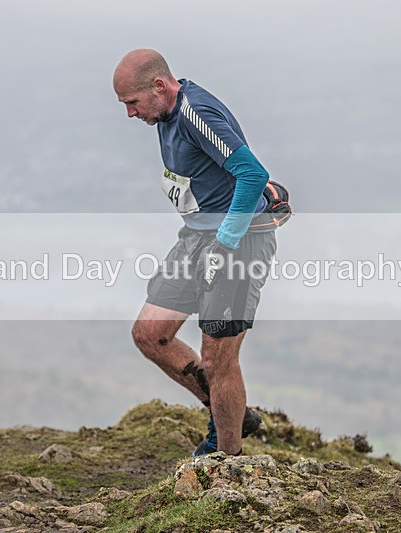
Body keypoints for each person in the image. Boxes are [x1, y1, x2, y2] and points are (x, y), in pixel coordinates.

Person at [113, 49, 278, 456]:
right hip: (195, 239)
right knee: (151, 334)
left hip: (236, 245)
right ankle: (231, 415)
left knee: (218, 356)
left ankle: (227, 462)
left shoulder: (193, 114)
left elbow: (252, 173)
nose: (130, 115)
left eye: (132, 103)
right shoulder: (163, 111)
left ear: (159, 86)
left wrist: (224, 244)